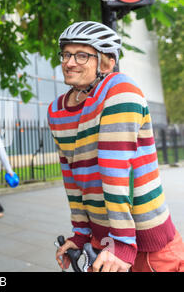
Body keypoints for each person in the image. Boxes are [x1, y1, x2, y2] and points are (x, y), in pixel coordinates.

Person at [49, 21, 184, 272]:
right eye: (66, 54)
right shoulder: (57, 110)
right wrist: (80, 235)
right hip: (103, 239)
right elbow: (73, 181)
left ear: (107, 62)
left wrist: (122, 243)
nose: (68, 62)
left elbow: (115, 169)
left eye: (81, 55)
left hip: (146, 240)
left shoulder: (120, 90)